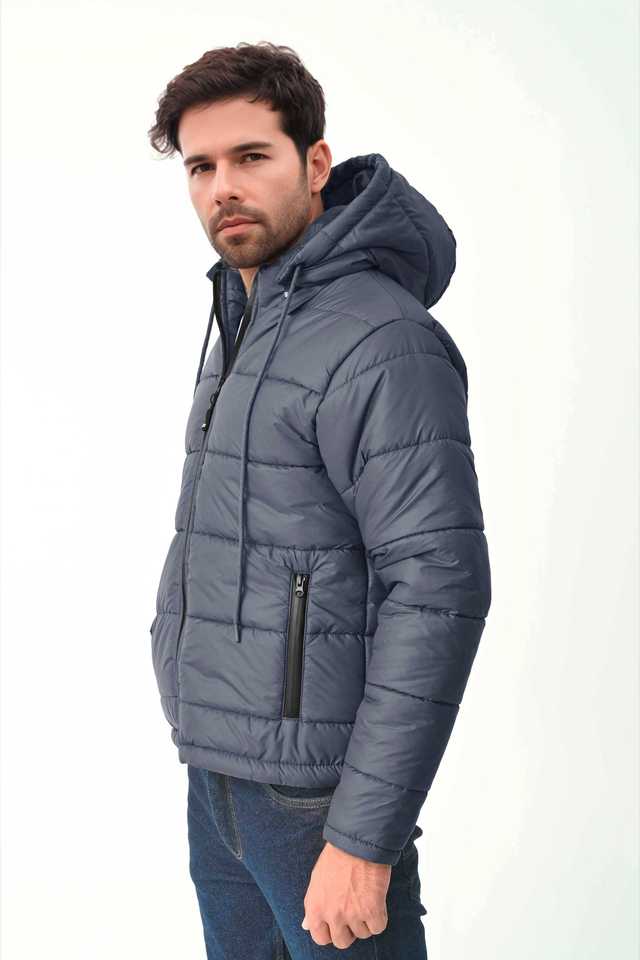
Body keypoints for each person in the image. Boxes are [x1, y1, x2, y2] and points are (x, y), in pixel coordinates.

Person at [147, 40, 491, 959]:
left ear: (315, 163)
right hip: (220, 781)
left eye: (251, 156)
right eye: (201, 167)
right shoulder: (243, 317)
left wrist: (364, 838)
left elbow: (439, 587)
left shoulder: (382, 340)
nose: (224, 187)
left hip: (318, 802)